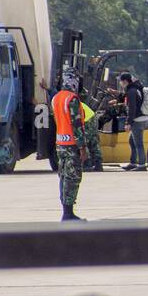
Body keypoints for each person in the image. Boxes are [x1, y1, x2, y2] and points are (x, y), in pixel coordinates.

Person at [52, 69, 86, 221]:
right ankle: (68, 213)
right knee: (72, 178)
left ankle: (66, 210)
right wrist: (82, 147)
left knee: (63, 177)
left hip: (60, 144)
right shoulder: (72, 99)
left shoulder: (56, 98)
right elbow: (76, 125)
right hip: (72, 145)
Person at [118, 72, 148, 171]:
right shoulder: (135, 88)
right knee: (132, 141)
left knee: (138, 142)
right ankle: (133, 162)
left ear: (125, 81)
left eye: (121, 81)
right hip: (141, 119)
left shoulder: (131, 91)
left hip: (137, 120)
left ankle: (142, 165)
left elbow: (132, 109)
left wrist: (128, 123)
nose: (120, 83)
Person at [80, 98, 103, 172]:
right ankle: (98, 164)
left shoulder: (72, 105)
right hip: (92, 117)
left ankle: (87, 163)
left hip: (87, 120)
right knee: (94, 141)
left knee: (85, 141)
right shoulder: (75, 102)